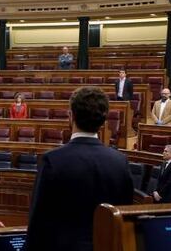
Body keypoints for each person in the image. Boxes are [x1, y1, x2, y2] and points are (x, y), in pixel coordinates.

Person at [25, 86, 134, 251]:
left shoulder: (53, 160)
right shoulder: (120, 161)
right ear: (103, 121)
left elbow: (38, 224)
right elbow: (125, 220)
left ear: (71, 116)